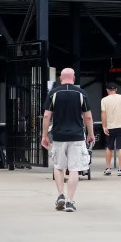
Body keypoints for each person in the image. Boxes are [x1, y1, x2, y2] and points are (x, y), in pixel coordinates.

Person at [41, 68, 94, 213]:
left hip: (58, 136)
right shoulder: (81, 93)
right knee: (74, 168)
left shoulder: (54, 93)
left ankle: (60, 195)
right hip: (77, 136)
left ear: (60, 78)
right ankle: (70, 201)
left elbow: (46, 116)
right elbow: (88, 116)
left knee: (59, 166)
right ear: (74, 78)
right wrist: (91, 134)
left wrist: (44, 135)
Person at [100, 83, 121, 176]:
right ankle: (120, 169)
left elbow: (103, 114)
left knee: (109, 147)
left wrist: (104, 126)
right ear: (116, 89)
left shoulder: (104, 100)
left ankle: (108, 168)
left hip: (110, 127)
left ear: (107, 90)